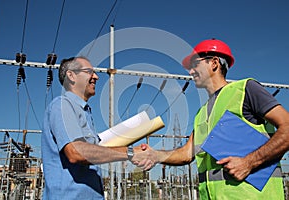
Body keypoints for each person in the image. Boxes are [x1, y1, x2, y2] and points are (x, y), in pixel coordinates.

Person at [133, 39, 289, 199]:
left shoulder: (245, 89)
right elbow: (187, 153)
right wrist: (156, 155)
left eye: (195, 64)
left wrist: (249, 162)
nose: (190, 72)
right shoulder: (201, 113)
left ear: (214, 63)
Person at [41, 56, 144, 200]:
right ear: (71, 75)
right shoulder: (62, 105)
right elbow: (76, 152)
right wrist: (131, 153)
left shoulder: (85, 113)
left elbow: (89, 152)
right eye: (89, 72)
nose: (96, 77)